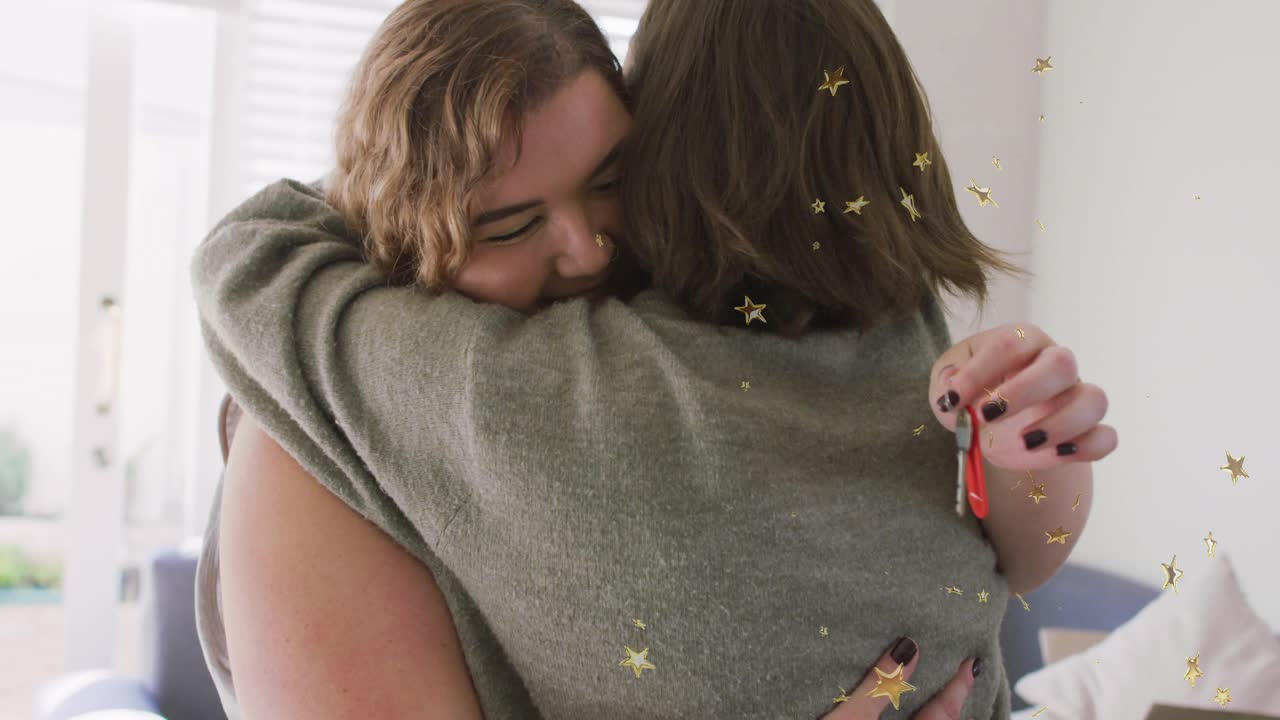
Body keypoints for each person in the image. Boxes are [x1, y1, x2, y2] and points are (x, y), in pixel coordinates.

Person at [193, 1, 1115, 718]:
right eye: (508, 223)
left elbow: (1004, 564)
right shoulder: (321, 434)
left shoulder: (738, 315)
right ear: (406, 225)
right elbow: (250, 262)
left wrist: (1026, 462)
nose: (589, 249)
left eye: (612, 179)